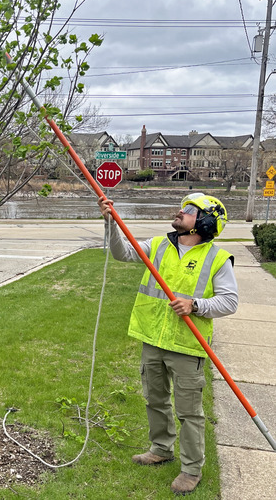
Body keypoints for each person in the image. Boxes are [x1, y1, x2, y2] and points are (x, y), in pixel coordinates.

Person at [98, 192, 238, 496]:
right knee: (155, 399)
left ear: (204, 221)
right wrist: (111, 225)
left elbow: (230, 301)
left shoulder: (216, 259)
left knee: (189, 412)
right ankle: (161, 448)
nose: (180, 211)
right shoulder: (160, 244)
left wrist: (195, 305)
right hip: (152, 338)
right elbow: (123, 254)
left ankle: (191, 469)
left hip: (187, 346)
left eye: (189, 210)